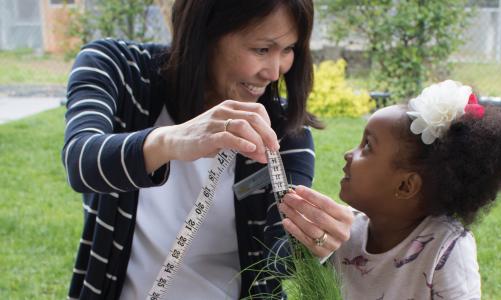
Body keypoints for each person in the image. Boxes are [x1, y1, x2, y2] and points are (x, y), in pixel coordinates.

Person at [61, 0, 353, 299]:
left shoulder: (283, 131)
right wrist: (172, 140)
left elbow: (278, 255)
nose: (275, 72)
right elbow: (81, 161)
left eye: (289, 49)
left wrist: (312, 240)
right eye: (262, 49)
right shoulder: (118, 68)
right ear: (205, 33)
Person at [279, 80, 501, 299]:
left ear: (406, 185)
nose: (348, 154)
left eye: (367, 146)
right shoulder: (345, 232)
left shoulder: (447, 249)